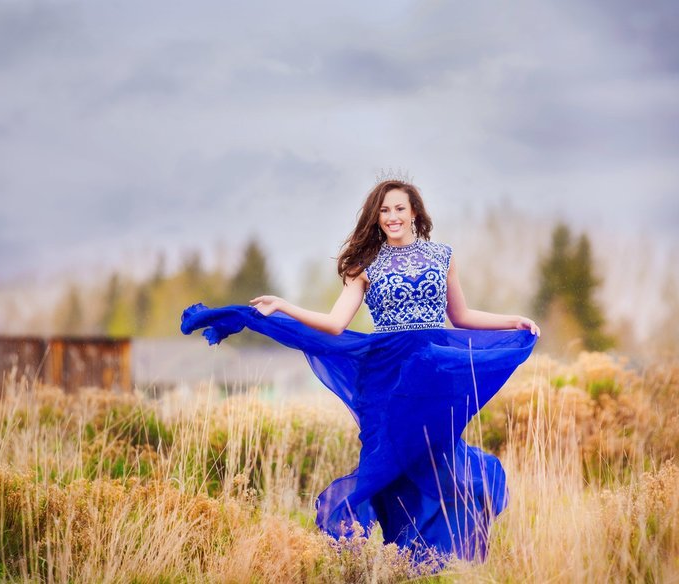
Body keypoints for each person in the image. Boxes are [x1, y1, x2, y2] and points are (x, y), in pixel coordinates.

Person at [181, 178, 539, 563]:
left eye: (400, 208)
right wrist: (284, 305)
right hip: (385, 375)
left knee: (437, 459)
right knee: (385, 463)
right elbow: (335, 324)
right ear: (376, 217)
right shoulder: (364, 264)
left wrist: (512, 321)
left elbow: (461, 316)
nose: (392, 217)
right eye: (384, 211)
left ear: (414, 211)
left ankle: (440, 557)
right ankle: (391, 553)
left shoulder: (443, 256)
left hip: (433, 372)